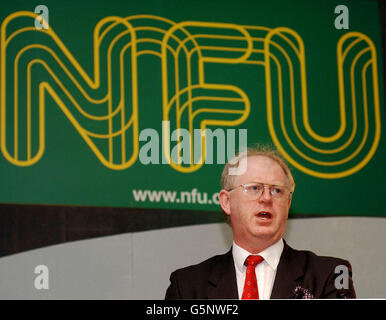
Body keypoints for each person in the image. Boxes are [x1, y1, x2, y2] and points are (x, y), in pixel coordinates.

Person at [165, 145, 356, 299]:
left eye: (277, 190)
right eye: (254, 188)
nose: (266, 198)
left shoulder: (333, 274)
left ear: (288, 204)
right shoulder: (187, 287)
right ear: (226, 201)